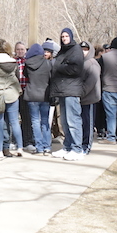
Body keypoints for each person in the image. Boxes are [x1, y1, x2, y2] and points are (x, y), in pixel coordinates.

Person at [50, 28, 85, 161]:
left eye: (66, 36)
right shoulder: (62, 51)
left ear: (71, 36)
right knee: (64, 121)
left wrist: (59, 67)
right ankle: (67, 147)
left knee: (73, 120)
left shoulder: (76, 50)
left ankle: (77, 149)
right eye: (62, 36)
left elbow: (76, 68)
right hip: (62, 90)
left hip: (72, 90)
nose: (64, 38)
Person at [23, 43, 53, 155]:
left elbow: (26, 75)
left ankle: (39, 147)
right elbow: (51, 78)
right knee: (45, 121)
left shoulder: (28, 63)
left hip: (32, 95)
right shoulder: (48, 63)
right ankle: (47, 146)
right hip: (44, 95)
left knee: (35, 121)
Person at [79, 41, 101, 155]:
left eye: (85, 49)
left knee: (88, 123)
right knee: (82, 123)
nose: (83, 52)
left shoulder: (92, 64)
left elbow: (90, 83)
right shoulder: (80, 63)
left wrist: (79, 93)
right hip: (81, 99)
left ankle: (86, 146)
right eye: (81, 49)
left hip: (90, 98)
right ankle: (81, 144)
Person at [14, 41, 35, 153]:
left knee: (27, 117)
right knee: (14, 118)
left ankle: (28, 141)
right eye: (18, 49)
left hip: (26, 91)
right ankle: (15, 140)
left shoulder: (29, 62)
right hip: (15, 92)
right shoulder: (13, 62)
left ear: (25, 51)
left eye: (22, 49)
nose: (20, 51)